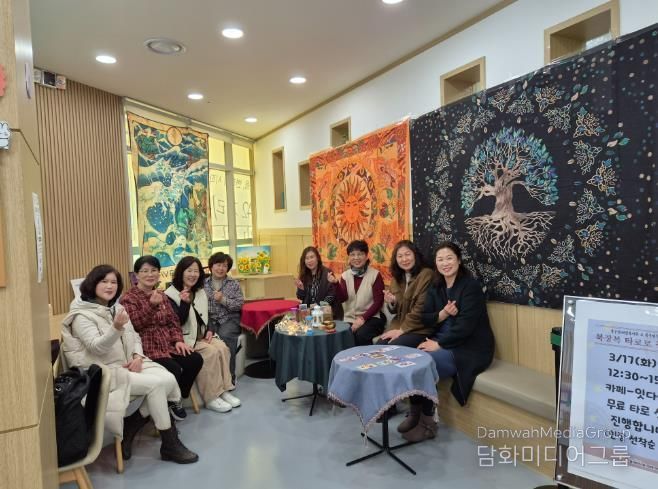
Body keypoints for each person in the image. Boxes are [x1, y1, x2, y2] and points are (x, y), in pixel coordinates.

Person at [61, 264, 198, 464]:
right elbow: (97, 348)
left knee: (169, 379)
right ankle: (170, 443)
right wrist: (116, 327)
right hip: (103, 373)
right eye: (104, 281)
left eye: (114, 282)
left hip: (127, 363)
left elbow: (135, 336)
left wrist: (137, 356)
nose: (110, 286)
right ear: (92, 284)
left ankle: (131, 426)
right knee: (156, 385)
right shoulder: (81, 315)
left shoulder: (116, 307)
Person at [397, 241, 495, 442]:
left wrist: (439, 344)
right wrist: (442, 314)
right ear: (436, 263)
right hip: (442, 339)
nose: (445, 263)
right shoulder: (437, 286)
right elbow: (426, 318)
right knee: (413, 359)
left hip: (468, 347)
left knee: (424, 364)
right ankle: (415, 412)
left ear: (458, 260)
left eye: (449, 258)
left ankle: (428, 422)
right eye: (440, 259)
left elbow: (466, 327)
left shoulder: (470, 286)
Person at [120, 255, 204, 421]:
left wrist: (178, 340)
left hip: (168, 344)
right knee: (174, 369)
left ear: (159, 273)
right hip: (147, 348)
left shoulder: (162, 295)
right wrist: (151, 306)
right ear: (136, 275)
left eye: (154, 270)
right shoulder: (128, 298)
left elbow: (173, 322)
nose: (150, 274)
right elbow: (135, 325)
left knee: (195, 360)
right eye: (145, 271)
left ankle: (176, 398)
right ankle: (171, 401)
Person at [166, 256, 241, 413]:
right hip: (185, 339)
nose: (193, 274)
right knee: (210, 352)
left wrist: (209, 330)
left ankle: (224, 390)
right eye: (189, 271)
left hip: (201, 335)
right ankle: (211, 397)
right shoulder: (170, 295)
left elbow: (206, 315)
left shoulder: (200, 292)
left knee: (222, 347)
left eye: (196, 271)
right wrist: (184, 304)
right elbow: (175, 323)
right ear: (181, 272)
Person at [328, 240, 386, 345]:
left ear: (366, 256)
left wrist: (362, 319)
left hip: (371, 318)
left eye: (360, 254)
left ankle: (365, 356)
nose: (356, 258)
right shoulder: (345, 276)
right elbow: (343, 298)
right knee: (340, 335)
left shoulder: (375, 275)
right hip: (350, 318)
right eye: (352, 255)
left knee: (361, 335)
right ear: (349, 258)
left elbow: (378, 302)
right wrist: (336, 284)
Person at [378, 240, 434, 347]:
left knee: (393, 348)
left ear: (415, 255)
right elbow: (394, 310)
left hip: (419, 328)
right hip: (399, 324)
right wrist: (392, 302)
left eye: (407, 254)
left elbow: (421, 308)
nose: (404, 259)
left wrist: (401, 330)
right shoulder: (396, 278)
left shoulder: (426, 274)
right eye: (400, 256)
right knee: (379, 346)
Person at [203, 251, 244, 382]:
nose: (221, 268)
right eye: (218, 265)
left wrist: (223, 300)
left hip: (230, 318)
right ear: (211, 266)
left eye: (224, 266)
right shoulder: (203, 284)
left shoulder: (233, 283)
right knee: (205, 340)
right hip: (209, 320)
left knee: (225, 336)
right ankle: (213, 378)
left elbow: (239, 305)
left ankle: (229, 376)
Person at [295, 246, 343, 320]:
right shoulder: (304, 275)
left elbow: (331, 296)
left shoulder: (327, 273)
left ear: (317, 258)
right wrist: (301, 289)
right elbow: (300, 297)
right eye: (307, 258)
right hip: (309, 314)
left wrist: (318, 306)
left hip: (327, 313)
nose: (309, 261)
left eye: (312, 257)